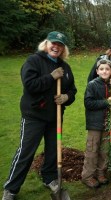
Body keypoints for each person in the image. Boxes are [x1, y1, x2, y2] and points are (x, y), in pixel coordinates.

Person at [2, 31, 77, 200]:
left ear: (63, 49)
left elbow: (72, 89)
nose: (56, 47)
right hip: (34, 115)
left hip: (54, 116)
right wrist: (50, 77)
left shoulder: (65, 67)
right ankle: (11, 188)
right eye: (53, 43)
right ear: (46, 43)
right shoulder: (33, 61)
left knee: (52, 151)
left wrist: (66, 97)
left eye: (60, 45)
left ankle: (49, 178)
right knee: (26, 152)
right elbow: (30, 85)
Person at [81, 59, 111, 188]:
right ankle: (88, 176)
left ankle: (101, 173)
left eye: (107, 69)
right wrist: (106, 102)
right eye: (101, 69)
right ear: (97, 71)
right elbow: (88, 103)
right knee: (92, 150)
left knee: (104, 150)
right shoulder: (92, 85)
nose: (104, 71)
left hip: (108, 124)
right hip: (95, 125)